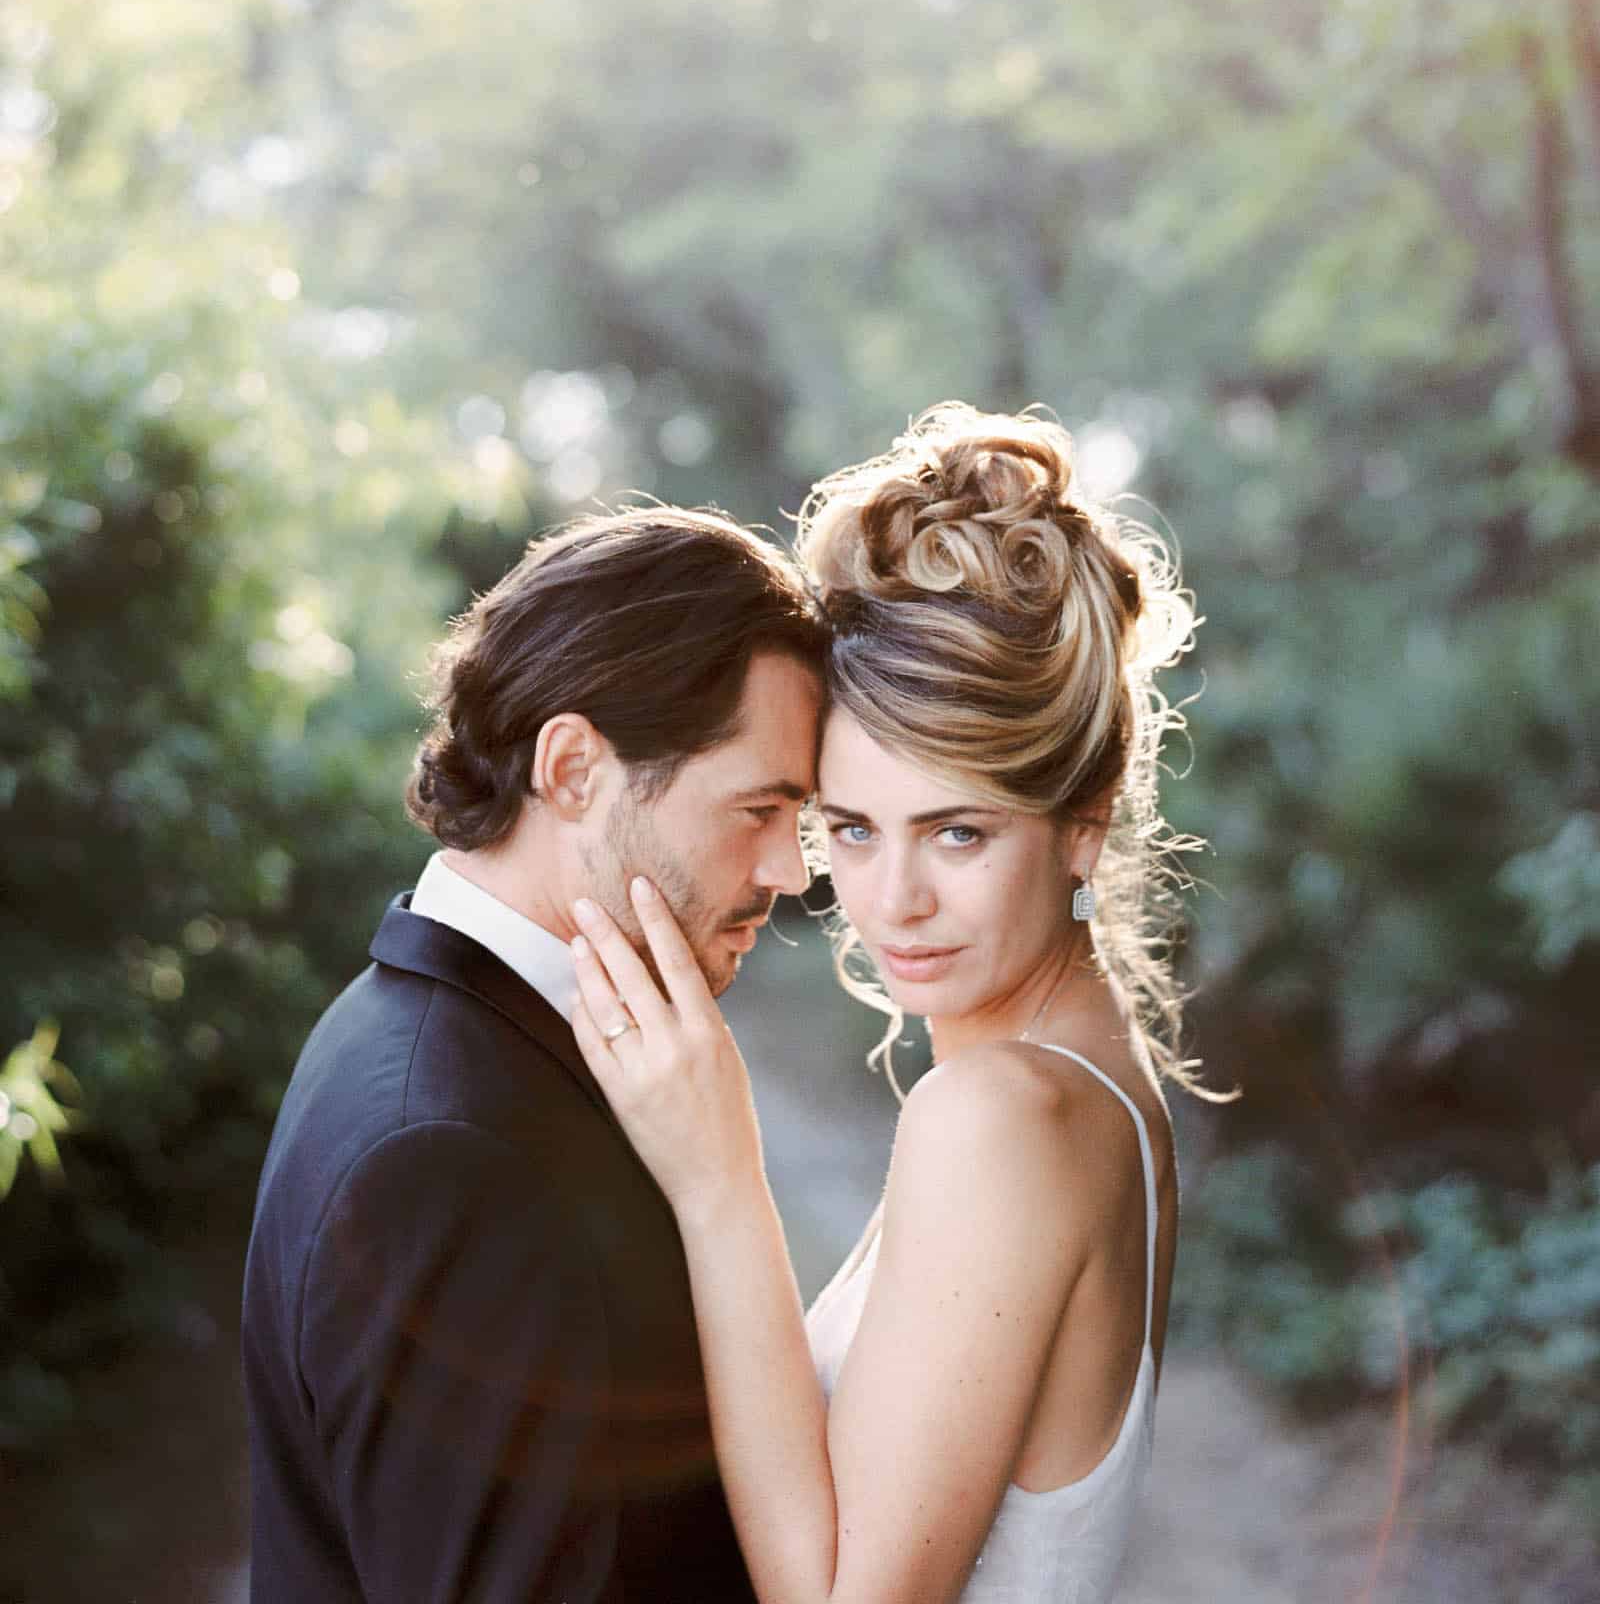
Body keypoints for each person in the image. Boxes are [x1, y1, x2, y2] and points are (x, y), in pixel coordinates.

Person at [568, 405, 1202, 1604]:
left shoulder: (1004, 1112)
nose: (890, 899)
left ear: (1084, 824)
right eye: (851, 828)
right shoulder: (1079, 1074)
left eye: (957, 832)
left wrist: (716, 1181)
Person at [241, 505, 826, 1604]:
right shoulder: (447, 1153)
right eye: (757, 807)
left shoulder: (425, 1033)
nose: (792, 870)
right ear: (571, 768)